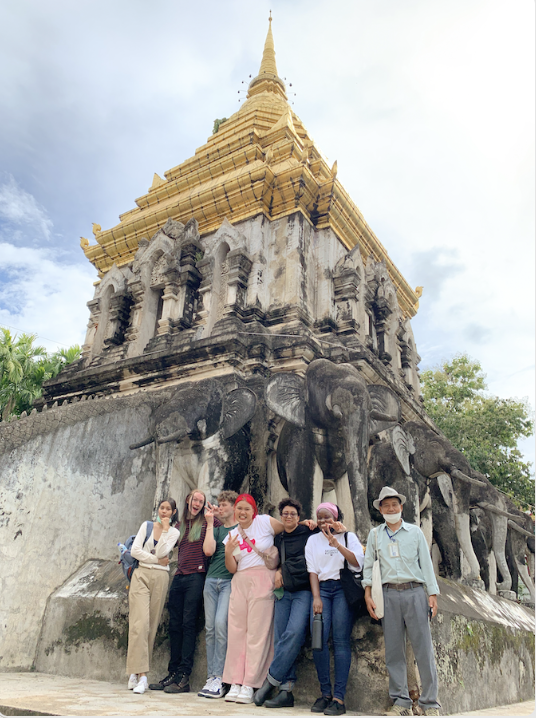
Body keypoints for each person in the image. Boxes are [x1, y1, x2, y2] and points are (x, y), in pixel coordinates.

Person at [362, 486, 441, 717]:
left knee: (423, 650)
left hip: (415, 592)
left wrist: (432, 594)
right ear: (380, 509)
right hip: (387, 595)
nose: (390, 508)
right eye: (385, 505)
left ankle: (430, 703)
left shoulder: (415, 532)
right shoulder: (375, 534)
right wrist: (367, 594)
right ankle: (401, 702)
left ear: (401, 507)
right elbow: (368, 566)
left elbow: (426, 565)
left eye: (394, 504)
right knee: (394, 652)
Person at [150, 488, 218, 694]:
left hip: (197, 577)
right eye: (195, 499)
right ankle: (173, 672)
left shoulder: (208, 522)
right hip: (179, 576)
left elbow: (227, 524)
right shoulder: (179, 526)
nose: (197, 503)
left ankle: (184, 676)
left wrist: (216, 516)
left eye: (201, 500)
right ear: (188, 500)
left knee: (188, 624)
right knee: (174, 625)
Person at [254, 498, 317, 709]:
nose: (288, 517)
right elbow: (279, 561)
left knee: (294, 633)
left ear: (299, 517)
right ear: (281, 516)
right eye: (285, 514)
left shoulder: (309, 534)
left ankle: (270, 681)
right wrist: (279, 571)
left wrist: (314, 524)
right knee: (280, 637)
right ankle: (286, 691)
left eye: (293, 514)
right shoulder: (278, 538)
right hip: (283, 592)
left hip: (303, 591)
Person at [305, 502, 364, 717]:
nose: (323, 521)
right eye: (319, 517)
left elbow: (357, 563)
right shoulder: (312, 540)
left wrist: (337, 543)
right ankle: (325, 694)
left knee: (340, 640)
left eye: (327, 517)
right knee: (318, 639)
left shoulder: (349, 537)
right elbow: (312, 571)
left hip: (342, 588)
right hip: (322, 589)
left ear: (336, 518)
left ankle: (339, 697)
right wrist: (316, 598)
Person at [126, 498, 180, 695]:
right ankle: (143, 676)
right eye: (162, 508)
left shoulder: (174, 532)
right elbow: (135, 551)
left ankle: (134, 671)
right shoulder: (146, 526)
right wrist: (156, 559)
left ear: (174, 512)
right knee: (139, 624)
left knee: (151, 625)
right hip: (141, 575)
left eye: (168, 509)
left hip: (160, 578)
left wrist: (165, 530)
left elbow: (165, 550)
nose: (164, 511)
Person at [198, 489, 239, 700]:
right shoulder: (216, 528)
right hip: (211, 581)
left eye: (223, 505)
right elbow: (208, 550)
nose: (219, 507)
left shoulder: (241, 528)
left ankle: (221, 678)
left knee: (221, 626)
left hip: (229, 583)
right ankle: (211, 676)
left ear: (233, 507)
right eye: (219, 504)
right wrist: (209, 522)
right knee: (211, 629)